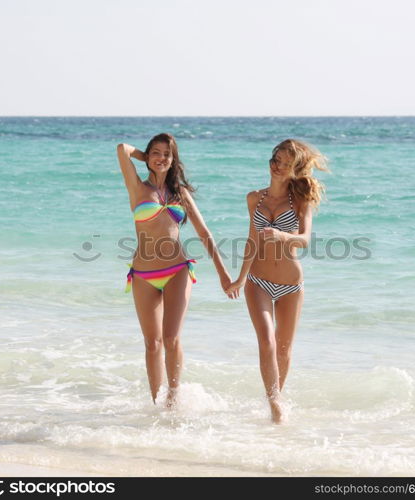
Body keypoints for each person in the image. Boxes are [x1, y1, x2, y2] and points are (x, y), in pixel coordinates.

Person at [117, 133, 234, 407]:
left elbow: (204, 232)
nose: (161, 158)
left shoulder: (180, 193)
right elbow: (122, 148)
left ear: (174, 160)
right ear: (147, 156)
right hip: (143, 275)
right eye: (155, 153)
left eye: (167, 155)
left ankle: (173, 398)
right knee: (152, 344)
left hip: (177, 270)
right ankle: (157, 403)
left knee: (170, 339)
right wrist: (148, 158)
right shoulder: (137, 187)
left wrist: (223, 273)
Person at [226, 139, 328, 423]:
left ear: (295, 169)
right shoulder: (254, 198)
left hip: (290, 285)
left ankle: (275, 400)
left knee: (283, 349)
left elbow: (305, 240)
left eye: (285, 163)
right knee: (267, 342)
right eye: (275, 159)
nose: (277, 166)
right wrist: (240, 278)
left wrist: (284, 236)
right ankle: (274, 403)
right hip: (257, 281)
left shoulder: (300, 201)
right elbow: (251, 240)